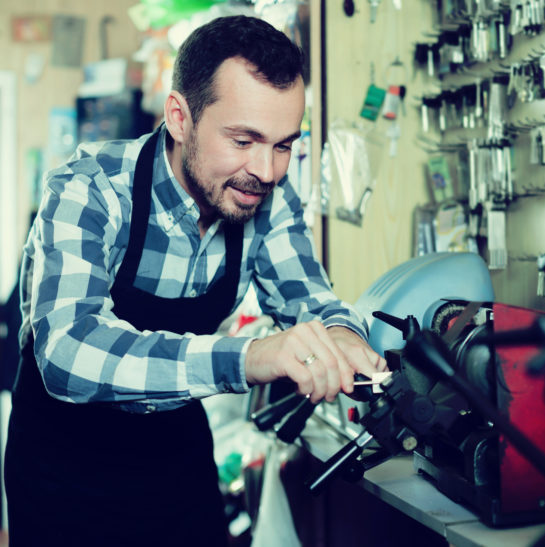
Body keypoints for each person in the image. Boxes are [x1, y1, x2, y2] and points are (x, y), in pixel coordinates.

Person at [5, 15, 384, 547]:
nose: (268, 171)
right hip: (65, 476)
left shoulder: (266, 200)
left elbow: (309, 297)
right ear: (180, 118)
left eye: (282, 145)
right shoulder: (90, 188)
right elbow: (68, 352)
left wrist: (342, 333)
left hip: (174, 464)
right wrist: (246, 358)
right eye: (244, 139)